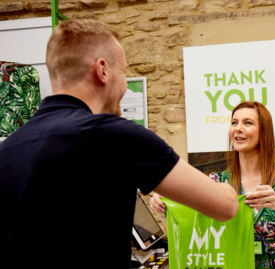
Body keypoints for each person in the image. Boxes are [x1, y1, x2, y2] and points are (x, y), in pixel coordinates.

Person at [0, 19, 238, 269]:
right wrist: (228, 190)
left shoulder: (8, 150)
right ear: (103, 70)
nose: (125, 84)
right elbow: (225, 207)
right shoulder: (111, 135)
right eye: (124, 72)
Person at [151, 101, 275, 269]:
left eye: (248, 123)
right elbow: (190, 231)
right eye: (234, 122)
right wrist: (164, 208)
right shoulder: (217, 182)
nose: (238, 128)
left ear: (264, 131)